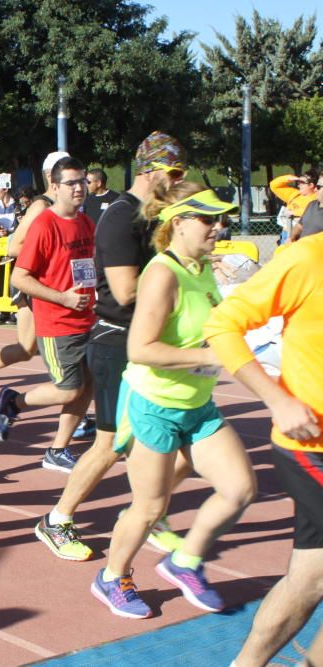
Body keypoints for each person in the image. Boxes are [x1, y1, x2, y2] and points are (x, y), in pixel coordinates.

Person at [91, 184, 255, 619]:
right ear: (177, 223)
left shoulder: (201, 267)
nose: (219, 227)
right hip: (154, 405)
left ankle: (184, 561)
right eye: (208, 219)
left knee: (240, 488)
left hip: (196, 404)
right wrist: (209, 355)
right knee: (149, 507)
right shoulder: (163, 273)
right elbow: (140, 348)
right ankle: (111, 577)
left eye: (221, 219)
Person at [35, 131, 191, 560]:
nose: (178, 181)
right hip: (117, 343)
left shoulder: (158, 216)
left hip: (150, 343)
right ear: (150, 169)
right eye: (173, 172)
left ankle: (147, 511)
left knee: (183, 446)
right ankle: (57, 518)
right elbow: (124, 291)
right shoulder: (122, 216)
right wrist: (183, 287)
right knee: (109, 445)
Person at [204, 233, 323, 667]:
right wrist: (278, 399)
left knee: (310, 578)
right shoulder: (308, 258)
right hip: (311, 446)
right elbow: (222, 325)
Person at [0, 157, 96, 473]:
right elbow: (19, 278)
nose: (79, 188)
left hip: (87, 319)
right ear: (55, 186)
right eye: (72, 183)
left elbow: (89, 269)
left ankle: (57, 450)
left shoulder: (86, 223)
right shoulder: (44, 225)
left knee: (86, 387)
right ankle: (13, 402)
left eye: (82, 182)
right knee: (68, 388)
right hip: (57, 323)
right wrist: (63, 297)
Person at [0, 152, 69, 411]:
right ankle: (71, 400)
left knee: (28, 348)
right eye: (65, 174)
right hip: (32, 282)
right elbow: (14, 245)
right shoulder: (42, 207)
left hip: (55, 284)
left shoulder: (70, 208)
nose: (73, 182)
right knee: (38, 346)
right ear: (50, 176)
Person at [270, 170, 320, 241]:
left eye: (302, 183)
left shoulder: (317, 197)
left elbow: (315, 211)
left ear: (311, 185)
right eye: (298, 182)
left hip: (304, 235)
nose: (299, 185)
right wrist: (288, 178)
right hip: (287, 232)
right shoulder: (294, 194)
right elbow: (273, 185)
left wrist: (294, 212)